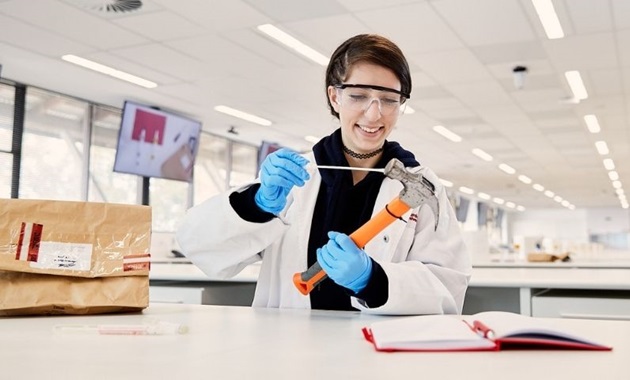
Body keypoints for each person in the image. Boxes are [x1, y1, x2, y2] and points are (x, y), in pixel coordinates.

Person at [176, 34, 471, 315]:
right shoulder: (294, 177)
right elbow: (198, 246)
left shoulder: (423, 186)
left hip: (378, 353)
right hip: (289, 349)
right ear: (334, 97)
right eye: (358, 95)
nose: (374, 114)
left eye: (390, 99)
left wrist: (372, 280)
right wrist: (256, 205)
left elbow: (448, 286)